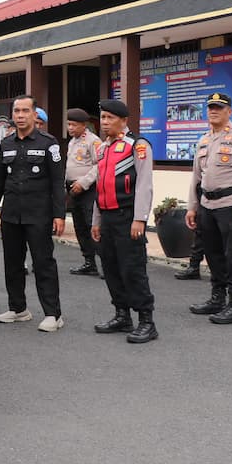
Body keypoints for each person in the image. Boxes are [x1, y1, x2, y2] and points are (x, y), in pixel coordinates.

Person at [0, 95, 66, 332]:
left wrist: (59, 214)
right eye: (16, 111)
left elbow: (57, 182)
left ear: (35, 114)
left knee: (43, 263)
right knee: (12, 262)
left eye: (25, 111)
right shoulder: (6, 144)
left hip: (39, 214)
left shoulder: (48, 143)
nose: (20, 115)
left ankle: (53, 314)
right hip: (11, 213)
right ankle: (18, 309)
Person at [185, 91, 232, 324]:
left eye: (219, 107)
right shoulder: (204, 139)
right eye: (210, 108)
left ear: (229, 111)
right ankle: (217, 298)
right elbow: (196, 176)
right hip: (207, 204)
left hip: (231, 205)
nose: (214, 111)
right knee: (213, 253)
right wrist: (192, 207)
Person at [91, 99, 158, 344]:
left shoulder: (137, 146)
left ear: (124, 121)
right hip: (107, 218)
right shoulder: (103, 148)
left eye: (110, 118)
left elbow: (144, 186)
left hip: (127, 217)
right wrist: (96, 221)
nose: (105, 122)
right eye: (103, 117)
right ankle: (122, 314)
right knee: (111, 268)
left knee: (132, 270)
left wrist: (140, 219)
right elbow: (100, 186)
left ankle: (146, 321)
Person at [65, 108, 102, 276]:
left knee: (91, 225)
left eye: (73, 125)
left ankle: (104, 264)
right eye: (68, 124)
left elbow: (99, 165)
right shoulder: (72, 142)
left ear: (83, 125)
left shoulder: (93, 141)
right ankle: (89, 262)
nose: (70, 128)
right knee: (79, 226)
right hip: (73, 189)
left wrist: (84, 182)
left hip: (87, 189)